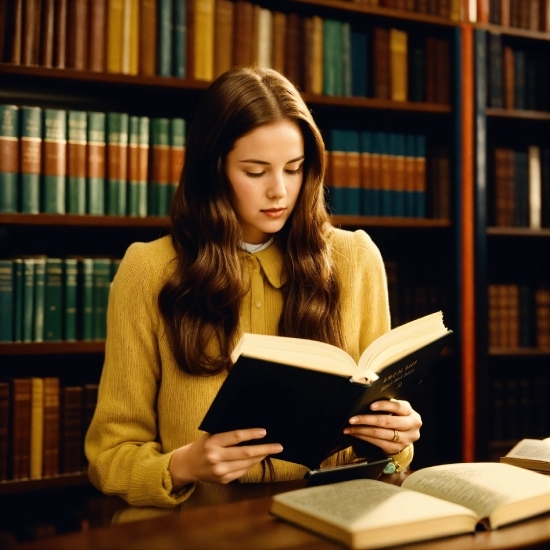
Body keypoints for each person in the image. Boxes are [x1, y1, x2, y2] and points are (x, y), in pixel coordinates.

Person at [85, 66, 422, 523]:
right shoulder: (149, 270)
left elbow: (384, 456)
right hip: (201, 529)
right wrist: (183, 465)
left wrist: (395, 438)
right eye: (255, 171)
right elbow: (110, 456)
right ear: (214, 168)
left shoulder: (356, 258)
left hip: (334, 522)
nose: (279, 191)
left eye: (294, 169)